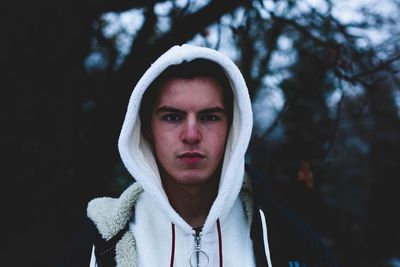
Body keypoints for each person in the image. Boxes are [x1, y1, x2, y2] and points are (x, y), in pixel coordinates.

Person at [84, 44, 337, 267]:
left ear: (233, 127)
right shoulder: (100, 245)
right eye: (172, 117)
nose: (191, 135)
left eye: (209, 117)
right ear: (147, 129)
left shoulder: (290, 241)